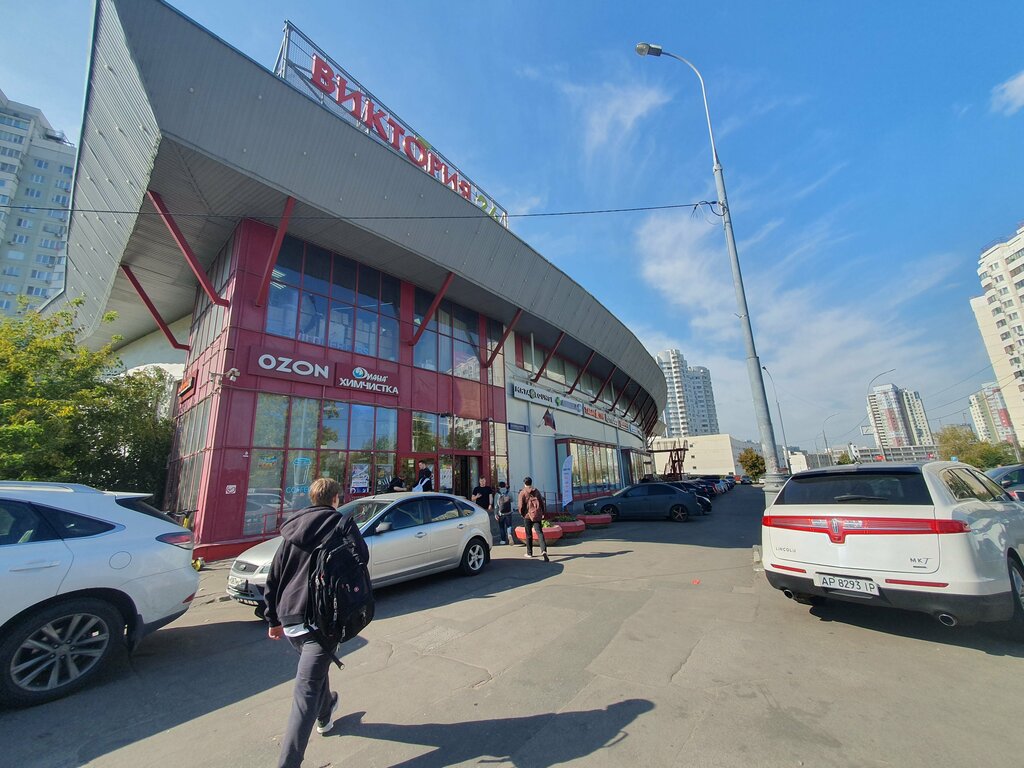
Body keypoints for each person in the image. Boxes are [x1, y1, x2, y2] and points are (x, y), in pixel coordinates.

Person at [265, 477, 368, 768]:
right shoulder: (341, 524)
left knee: (315, 673)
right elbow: (362, 557)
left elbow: (275, 575)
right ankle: (289, 763)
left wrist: (273, 619)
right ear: (336, 499)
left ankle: (326, 713)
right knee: (305, 691)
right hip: (324, 620)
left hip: (290, 618)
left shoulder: (293, 528)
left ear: (312, 499)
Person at [517, 476, 548, 562]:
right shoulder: (536, 491)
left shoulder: (523, 492)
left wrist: (522, 514)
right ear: (531, 483)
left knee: (528, 534)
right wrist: (543, 512)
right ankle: (544, 550)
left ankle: (529, 553)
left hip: (527, 515)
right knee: (540, 533)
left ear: (524, 483)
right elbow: (541, 502)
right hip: (537, 515)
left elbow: (520, 506)